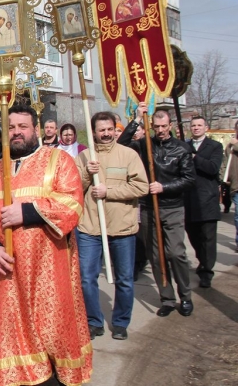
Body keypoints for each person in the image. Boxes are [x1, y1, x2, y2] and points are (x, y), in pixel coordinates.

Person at [0, 104, 92, 386]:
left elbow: (71, 203)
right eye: (11, 127)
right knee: (10, 333)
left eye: (23, 127)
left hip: (48, 270)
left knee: (51, 329)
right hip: (5, 273)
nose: (16, 132)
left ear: (35, 130)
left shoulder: (58, 161)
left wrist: (26, 212)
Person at [75, 112, 149, 341]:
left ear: (114, 130)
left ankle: (120, 322)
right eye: (101, 130)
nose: (106, 134)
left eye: (109, 129)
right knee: (86, 278)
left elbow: (141, 187)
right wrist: (88, 173)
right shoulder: (86, 156)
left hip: (121, 227)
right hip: (90, 227)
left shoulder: (129, 155)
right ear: (94, 132)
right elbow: (75, 188)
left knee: (124, 279)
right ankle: (94, 321)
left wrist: (110, 192)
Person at [118, 103, 196, 317]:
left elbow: (189, 180)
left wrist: (164, 187)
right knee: (156, 256)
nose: (160, 130)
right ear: (151, 126)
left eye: (164, 126)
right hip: (148, 209)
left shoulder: (181, 148)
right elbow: (121, 145)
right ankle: (167, 299)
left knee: (175, 253)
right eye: (156, 126)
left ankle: (186, 296)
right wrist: (136, 119)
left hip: (172, 208)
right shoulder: (145, 145)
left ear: (170, 125)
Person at [183, 116, 223, 288]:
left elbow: (213, 168)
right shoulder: (184, 145)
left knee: (208, 237)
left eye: (200, 125)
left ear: (206, 127)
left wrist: (194, 157)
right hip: (188, 199)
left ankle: (206, 271)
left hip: (207, 198)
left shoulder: (215, 146)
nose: (196, 128)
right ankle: (202, 259)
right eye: (193, 125)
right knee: (193, 235)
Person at [131, 121, 148, 280]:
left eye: (138, 129)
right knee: (136, 232)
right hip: (133, 197)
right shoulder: (130, 147)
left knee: (144, 234)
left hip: (148, 195)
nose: (135, 132)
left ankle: (143, 258)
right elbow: (122, 141)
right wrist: (135, 120)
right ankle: (136, 264)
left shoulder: (149, 146)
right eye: (133, 130)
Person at [221, 119, 238, 252]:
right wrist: (223, 177)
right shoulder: (230, 145)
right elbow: (225, 162)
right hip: (235, 186)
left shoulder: (234, 144)